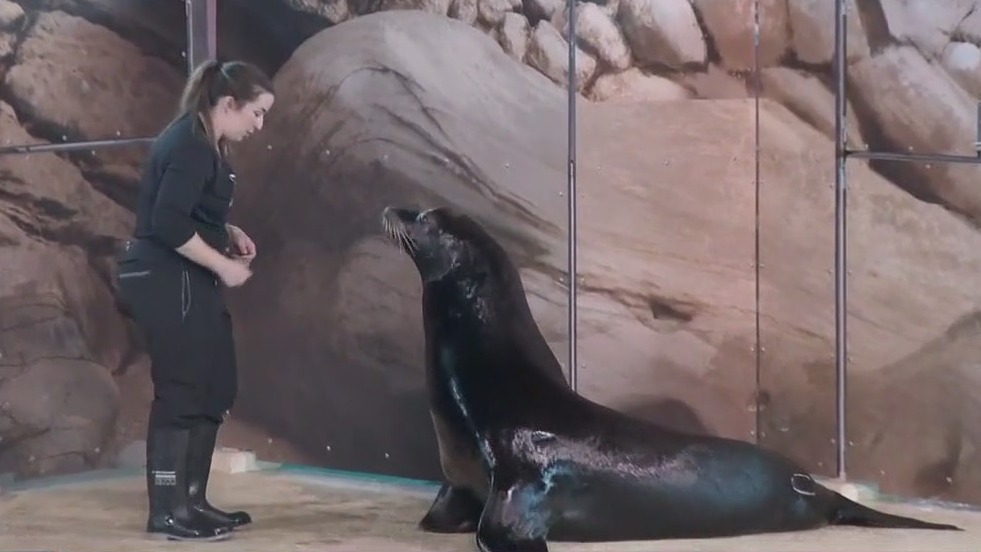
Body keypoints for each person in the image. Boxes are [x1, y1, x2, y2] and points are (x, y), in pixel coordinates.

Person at [113, 58, 275, 542]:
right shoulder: (189, 144)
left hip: (187, 277)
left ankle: (193, 502)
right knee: (183, 390)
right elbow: (166, 222)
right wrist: (223, 264)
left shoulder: (207, 144)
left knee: (215, 384)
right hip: (167, 277)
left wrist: (226, 230)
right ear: (229, 104)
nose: (259, 125)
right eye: (257, 113)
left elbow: (185, 210)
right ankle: (168, 510)